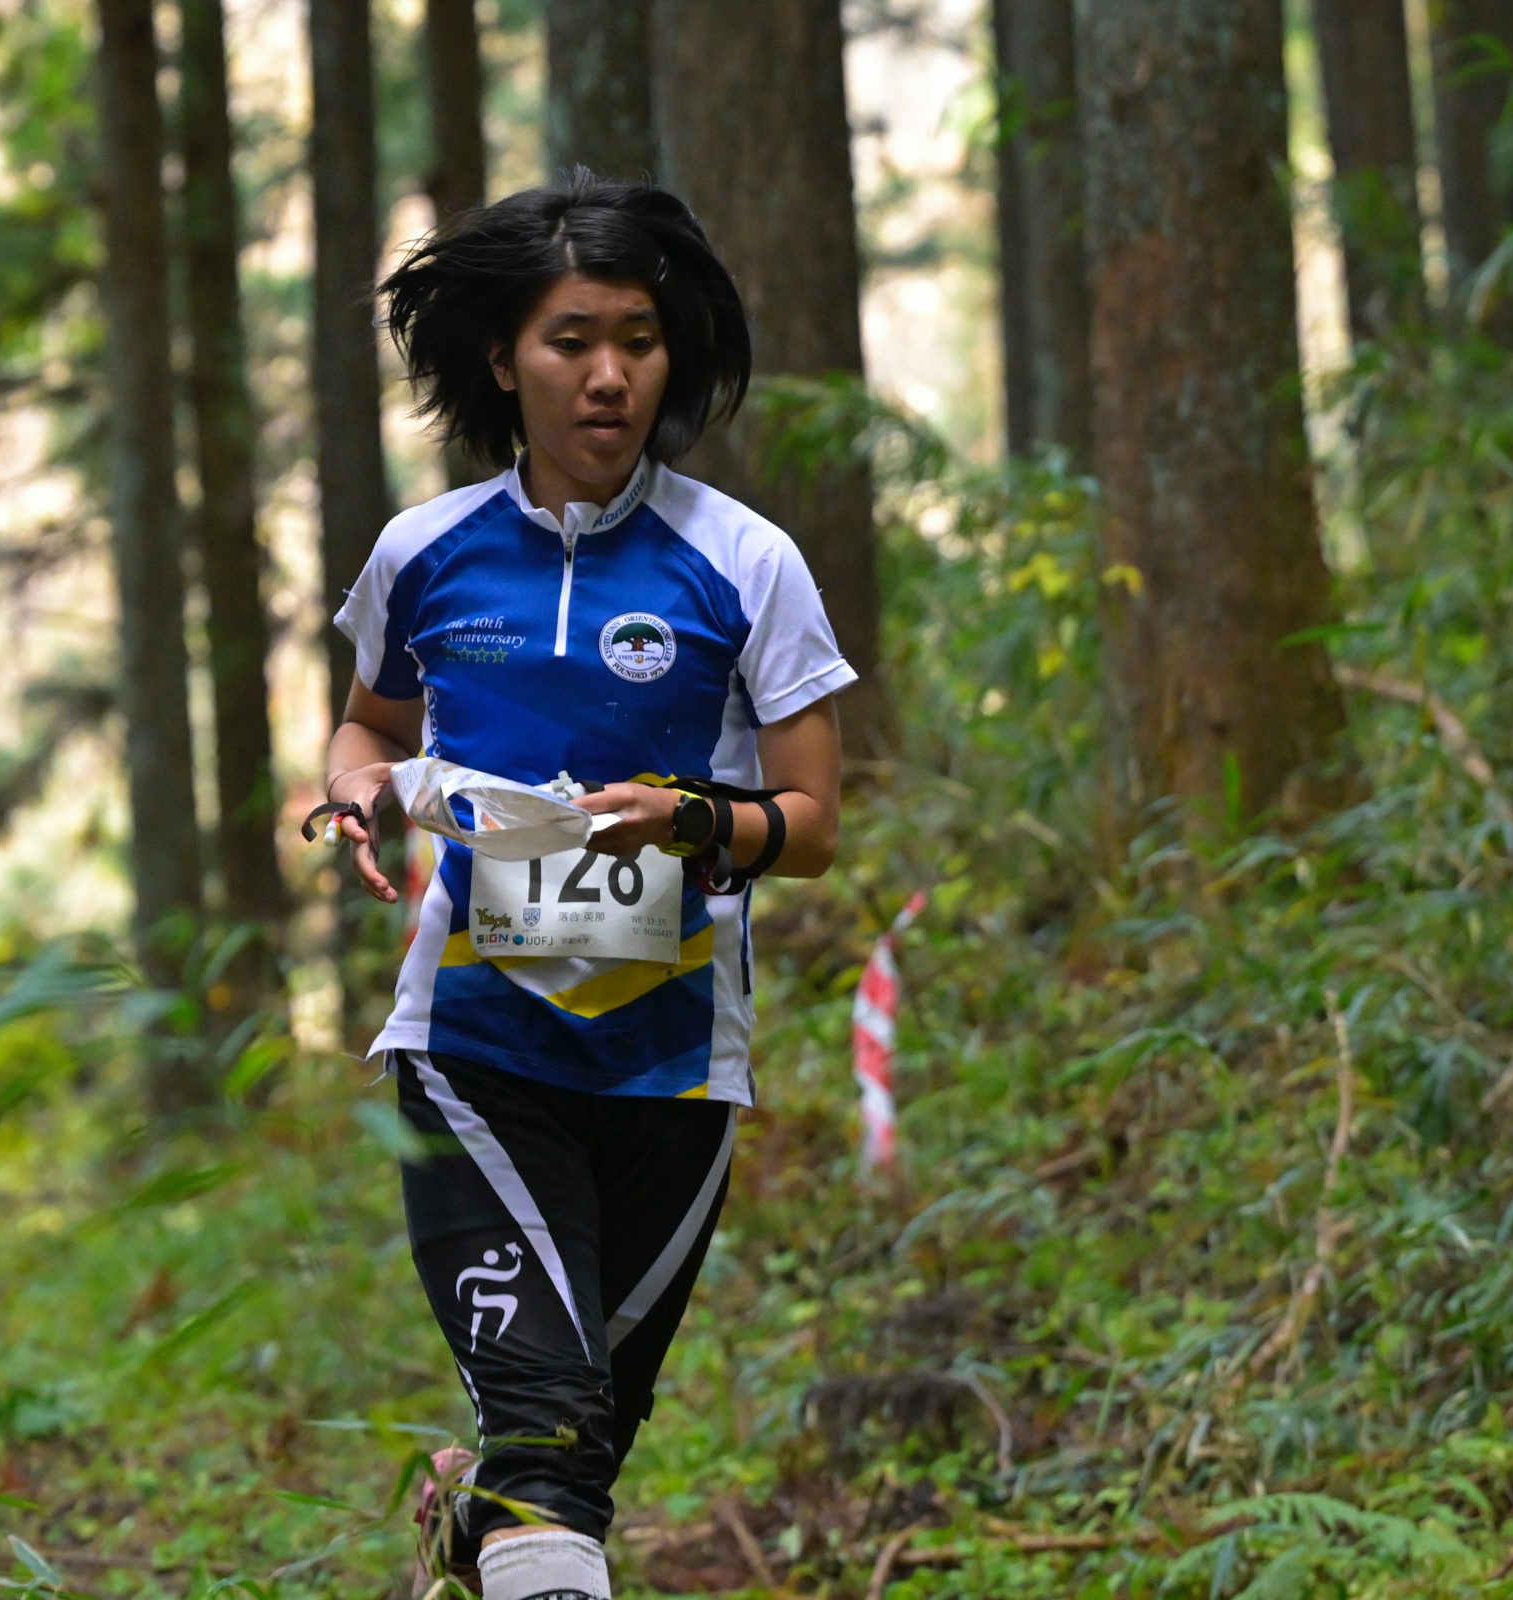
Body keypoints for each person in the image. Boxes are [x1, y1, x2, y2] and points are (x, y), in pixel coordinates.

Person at [318, 170, 851, 1600]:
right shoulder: (423, 553)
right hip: (472, 1050)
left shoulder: (746, 561)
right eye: (571, 341)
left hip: (672, 1067)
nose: (609, 374)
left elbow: (812, 825)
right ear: (506, 360)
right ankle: (516, 1524)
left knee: (570, 1442)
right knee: (552, 1437)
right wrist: (357, 791)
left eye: (638, 340)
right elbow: (368, 727)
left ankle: (468, 1521)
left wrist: (691, 820)